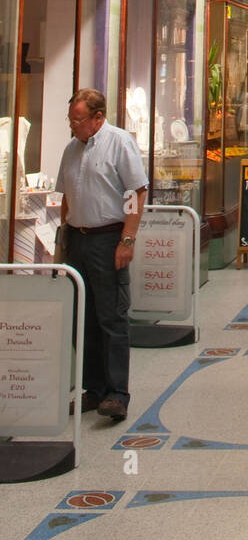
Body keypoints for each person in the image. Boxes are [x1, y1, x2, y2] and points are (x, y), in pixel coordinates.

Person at [56, 89, 148, 422]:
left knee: (111, 317)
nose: (73, 126)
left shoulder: (119, 143)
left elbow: (135, 192)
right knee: (84, 317)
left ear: (98, 118)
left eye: (77, 120)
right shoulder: (71, 149)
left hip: (108, 238)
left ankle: (116, 393)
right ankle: (93, 389)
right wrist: (63, 240)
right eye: (70, 120)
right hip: (77, 241)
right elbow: (66, 195)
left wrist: (127, 239)